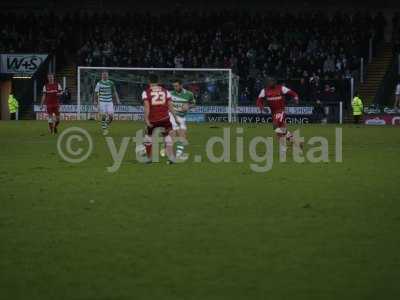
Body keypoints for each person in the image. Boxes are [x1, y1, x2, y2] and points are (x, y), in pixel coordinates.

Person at [256, 77, 303, 153]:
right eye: (269, 82)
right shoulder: (264, 91)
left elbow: (293, 93)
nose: (271, 83)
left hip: (281, 111)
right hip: (273, 113)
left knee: (275, 126)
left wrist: (296, 99)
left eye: (272, 81)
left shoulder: (281, 88)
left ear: (275, 82)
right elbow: (258, 101)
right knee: (281, 130)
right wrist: (262, 108)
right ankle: (295, 142)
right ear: (267, 83)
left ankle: (284, 147)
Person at [142, 74, 179, 164]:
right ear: (158, 81)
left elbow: (147, 107)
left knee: (148, 136)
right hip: (165, 118)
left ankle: (149, 158)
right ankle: (171, 158)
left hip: (153, 119)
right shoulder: (166, 91)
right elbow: (170, 106)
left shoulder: (146, 92)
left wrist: (146, 119)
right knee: (167, 136)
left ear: (149, 81)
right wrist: (175, 118)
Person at [169, 78, 196, 159]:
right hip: (172, 115)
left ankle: (176, 152)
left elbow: (193, 104)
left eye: (176, 86)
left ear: (181, 85)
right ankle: (178, 154)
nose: (175, 88)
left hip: (182, 117)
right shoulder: (170, 94)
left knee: (182, 135)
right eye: (174, 86)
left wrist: (188, 106)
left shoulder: (189, 94)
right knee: (181, 133)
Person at [94, 71, 120, 135]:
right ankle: (105, 129)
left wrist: (117, 100)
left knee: (111, 116)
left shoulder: (111, 83)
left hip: (109, 102)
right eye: (104, 75)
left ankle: (105, 124)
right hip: (102, 101)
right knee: (103, 115)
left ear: (108, 76)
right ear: (102, 76)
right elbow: (96, 93)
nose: (105, 76)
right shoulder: (99, 83)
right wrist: (95, 101)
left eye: (106, 75)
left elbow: (114, 92)